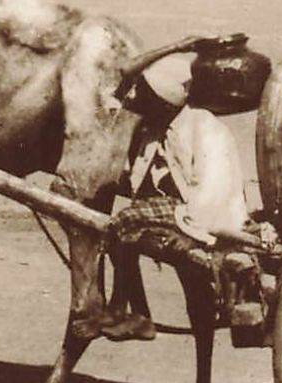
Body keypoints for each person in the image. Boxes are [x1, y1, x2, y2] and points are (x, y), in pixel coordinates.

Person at [91, 52, 253, 342]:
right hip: (171, 210)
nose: (140, 99)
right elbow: (137, 175)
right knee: (122, 229)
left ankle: (127, 311)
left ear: (164, 100)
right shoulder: (154, 128)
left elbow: (215, 185)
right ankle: (137, 312)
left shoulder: (204, 126)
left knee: (124, 220)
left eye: (148, 95)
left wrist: (194, 231)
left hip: (200, 213)